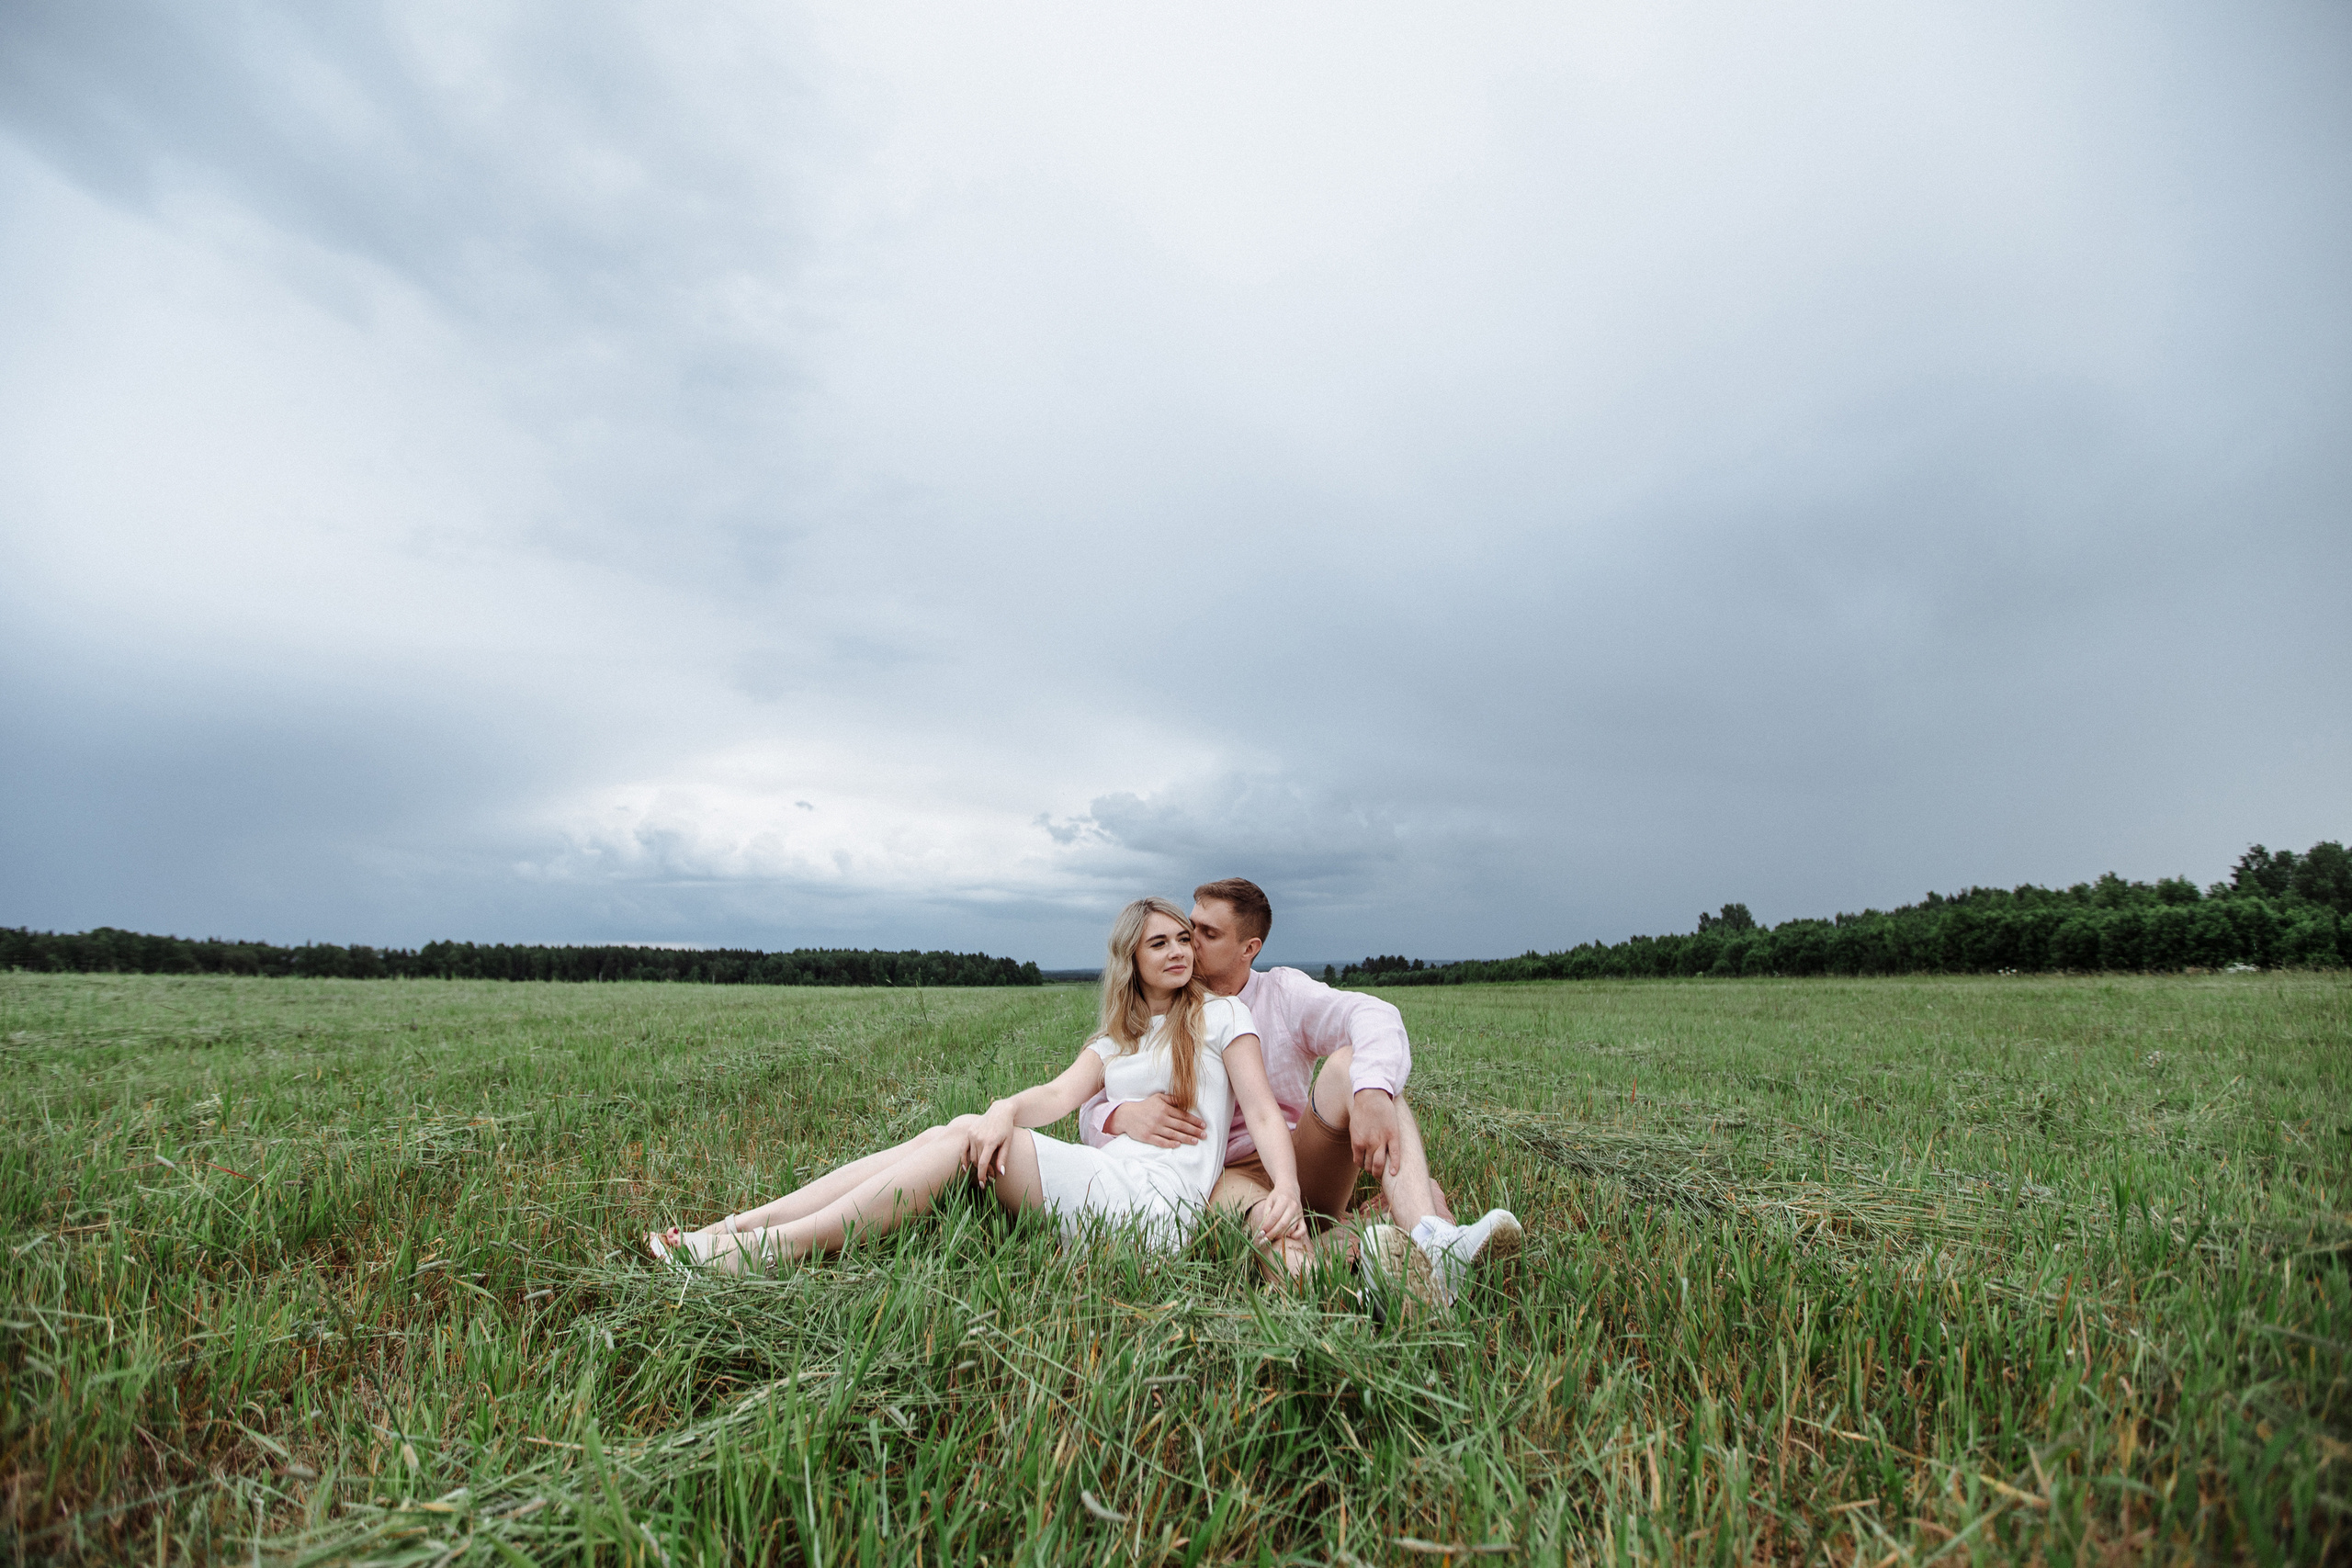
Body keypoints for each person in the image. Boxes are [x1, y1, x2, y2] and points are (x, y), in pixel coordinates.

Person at [646, 897, 1308, 1270]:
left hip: (1154, 1209)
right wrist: (1001, 1109)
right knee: (954, 1130)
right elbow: (1051, 1097)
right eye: (1158, 943)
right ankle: (736, 1226)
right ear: (1131, 959)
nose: (1178, 951)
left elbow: (1263, 1112)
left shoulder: (1221, 1016)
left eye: (1184, 939)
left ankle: (758, 1252)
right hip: (1110, 1181)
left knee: (965, 1140)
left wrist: (1287, 1189)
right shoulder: (1117, 1041)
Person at [1079, 877, 1521, 1305]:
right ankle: (1362, 1262)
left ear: (1249, 949)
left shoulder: (1282, 993)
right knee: (1273, 1233)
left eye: (1207, 934)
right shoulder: (1162, 1002)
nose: (1187, 944)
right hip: (1223, 1175)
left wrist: (1371, 1089)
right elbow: (1093, 1099)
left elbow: (1371, 1012)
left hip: (1297, 1155)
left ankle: (1433, 1240)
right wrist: (1119, 1116)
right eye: (1189, 929)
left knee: (1355, 1066)